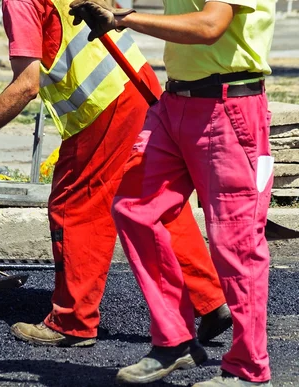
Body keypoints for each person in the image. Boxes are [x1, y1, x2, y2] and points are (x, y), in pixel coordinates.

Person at [0, 0, 233, 348]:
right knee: (152, 200)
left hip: (101, 106)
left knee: (74, 206)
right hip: (136, 79)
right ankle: (210, 299)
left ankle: (72, 321)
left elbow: (26, 85)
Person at [68, 0, 275, 385]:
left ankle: (248, 368)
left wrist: (123, 20)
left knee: (235, 243)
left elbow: (211, 25)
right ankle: (174, 341)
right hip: (175, 103)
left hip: (230, 107)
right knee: (134, 209)